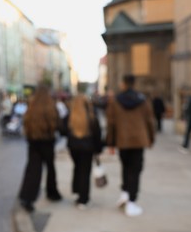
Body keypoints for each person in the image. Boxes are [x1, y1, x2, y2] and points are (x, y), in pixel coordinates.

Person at [106, 74, 155, 217]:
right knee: (136, 170)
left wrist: (111, 142)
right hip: (139, 140)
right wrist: (151, 139)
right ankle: (131, 202)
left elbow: (111, 123)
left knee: (126, 167)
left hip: (123, 140)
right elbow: (150, 121)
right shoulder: (143, 100)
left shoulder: (116, 101)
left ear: (123, 84)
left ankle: (125, 193)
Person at [18, 84, 62, 212]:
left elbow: (26, 123)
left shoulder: (31, 107)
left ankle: (27, 197)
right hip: (48, 141)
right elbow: (57, 123)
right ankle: (52, 193)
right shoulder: (51, 106)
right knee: (50, 168)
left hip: (33, 142)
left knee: (33, 169)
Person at [66, 94, 102, 209]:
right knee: (85, 172)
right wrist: (98, 149)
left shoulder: (70, 117)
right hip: (87, 148)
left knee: (77, 169)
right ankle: (83, 199)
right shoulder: (91, 117)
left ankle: (78, 192)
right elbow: (97, 135)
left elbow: (62, 130)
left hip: (74, 148)